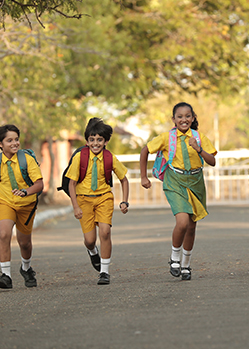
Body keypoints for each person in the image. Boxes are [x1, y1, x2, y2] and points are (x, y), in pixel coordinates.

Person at [139, 102, 217, 281]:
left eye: (187, 116)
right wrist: (143, 177)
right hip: (175, 180)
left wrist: (199, 149)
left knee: (191, 226)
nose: (184, 119)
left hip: (196, 182)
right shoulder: (166, 137)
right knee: (182, 222)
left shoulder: (199, 137)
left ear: (193, 118)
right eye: (179, 117)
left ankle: (186, 265)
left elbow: (212, 161)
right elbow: (145, 151)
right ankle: (174, 258)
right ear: (173, 119)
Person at [66, 118, 130, 285]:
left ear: (106, 141)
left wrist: (124, 201)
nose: (95, 143)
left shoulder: (110, 157)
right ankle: (93, 252)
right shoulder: (80, 157)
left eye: (99, 140)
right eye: (92, 140)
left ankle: (104, 272)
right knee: (89, 240)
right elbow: (71, 183)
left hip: (104, 198)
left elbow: (124, 179)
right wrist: (75, 207)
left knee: (105, 232)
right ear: (87, 141)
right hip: (83, 200)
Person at [0, 125, 44, 289]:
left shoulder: (27, 160)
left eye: (16, 139)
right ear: (0, 144)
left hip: (26, 205)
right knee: (3, 234)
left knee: (25, 243)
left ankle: (26, 268)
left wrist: (26, 192)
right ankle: (6, 276)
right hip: (5, 202)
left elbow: (39, 184)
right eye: (9, 140)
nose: (15, 143)